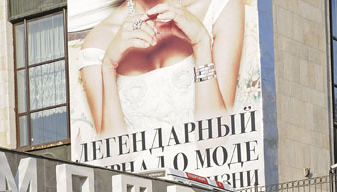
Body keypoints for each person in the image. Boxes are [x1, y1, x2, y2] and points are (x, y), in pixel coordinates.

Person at [79, 0, 245, 136]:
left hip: (207, 172)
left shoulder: (219, 6)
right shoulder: (98, 42)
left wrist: (201, 42)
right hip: (138, 176)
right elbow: (114, 160)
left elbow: (215, 138)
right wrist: (108, 67)